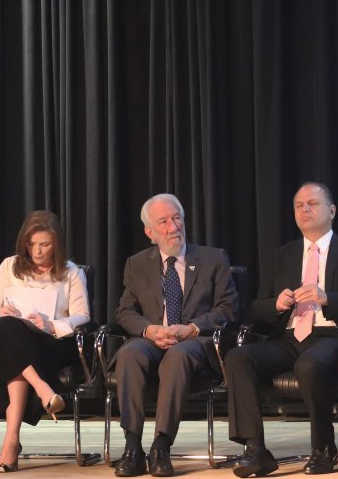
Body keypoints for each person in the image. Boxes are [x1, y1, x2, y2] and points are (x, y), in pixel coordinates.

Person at [227, 182, 338, 477]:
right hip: (289, 336)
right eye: (299, 205)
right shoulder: (281, 256)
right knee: (239, 358)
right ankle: (256, 449)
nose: (305, 210)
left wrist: (328, 298)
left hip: (333, 336)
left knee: (310, 364)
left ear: (332, 210)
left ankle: (323, 448)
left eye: (312, 203)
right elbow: (256, 309)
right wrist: (276, 304)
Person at [112, 193, 238, 478]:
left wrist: (192, 328)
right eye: (163, 222)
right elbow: (125, 310)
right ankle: (132, 447)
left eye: (177, 218)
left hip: (195, 342)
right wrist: (149, 330)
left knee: (178, 355)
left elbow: (229, 308)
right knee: (129, 352)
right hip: (153, 340)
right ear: (150, 232)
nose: (173, 227)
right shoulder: (136, 264)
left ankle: (161, 446)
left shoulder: (212, 258)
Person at [0, 210, 91, 472]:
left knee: (10, 344)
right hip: (17, 343)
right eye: (31, 244)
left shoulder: (72, 272)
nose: (37, 251)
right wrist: (0, 312)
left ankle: (13, 439)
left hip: (52, 343)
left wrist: (52, 324)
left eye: (44, 245)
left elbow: (83, 316)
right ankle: (24, 419)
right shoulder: (9, 266)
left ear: (57, 244)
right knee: (8, 326)